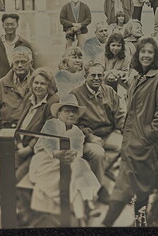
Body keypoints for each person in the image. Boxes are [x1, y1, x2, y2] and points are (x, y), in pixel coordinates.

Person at [102, 37, 158, 226]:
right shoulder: (137, 76)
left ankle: (106, 224)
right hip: (131, 140)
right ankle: (138, 224)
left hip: (145, 143)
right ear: (138, 54)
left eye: (150, 52)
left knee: (129, 186)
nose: (146, 55)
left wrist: (149, 137)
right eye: (143, 52)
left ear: (155, 55)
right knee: (137, 187)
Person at [29, 94, 101, 222]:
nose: (71, 114)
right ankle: (88, 203)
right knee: (78, 167)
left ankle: (81, 217)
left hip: (68, 162)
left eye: (74, 112)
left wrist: (74, 154)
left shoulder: (78, 132)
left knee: (79, 164)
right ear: (59, 113)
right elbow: (49, 144)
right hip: (46, 161)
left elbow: (78, 150)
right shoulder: (51, 124)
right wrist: (56, 153)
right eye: (67, 111)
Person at [70, 60, 126, 204]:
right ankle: (100, 190)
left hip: (108, 133)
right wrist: (89, 136)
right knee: (98, 154)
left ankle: (123, 186)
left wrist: (128, 133)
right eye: (93, 75)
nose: (96, 79)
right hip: (87, 138)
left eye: (100, 76)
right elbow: (71, 125)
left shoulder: (109, 91)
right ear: (85, 76)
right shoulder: (75, 95)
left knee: (129, 146)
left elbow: (119, 115)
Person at [0, 46, 34, 185]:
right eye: (16, 62)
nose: (19, 65)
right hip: (7, 129)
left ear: (31, 63)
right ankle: (4, 187)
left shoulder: (39, 82)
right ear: (12, 63)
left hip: (32, 131)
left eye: (23, 61)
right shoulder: (2, 84)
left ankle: (24, 189)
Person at [15, 68, 60, 182]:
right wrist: (19, 144)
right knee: (6, 168)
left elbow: (47, 132)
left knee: (19, 176)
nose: (38, 86)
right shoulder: (29, 97)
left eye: (43, 84)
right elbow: (20, 124)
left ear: (49, 86)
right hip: (20, 145)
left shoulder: (53, 102)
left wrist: (29, 148)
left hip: (37, 149)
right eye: (36, 82)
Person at [0, 12, 37, 90]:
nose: (9, 27)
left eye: (12, 24)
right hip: (0, 90)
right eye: (7, 24)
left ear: (17, 25)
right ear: (3, 25)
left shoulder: (25, 44)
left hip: (20, 90)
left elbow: (33, 68)